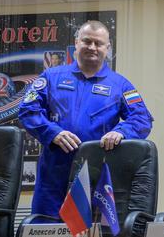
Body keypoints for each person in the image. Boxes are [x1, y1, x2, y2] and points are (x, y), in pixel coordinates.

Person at [18, 20, 153, 217]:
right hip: (53, 174)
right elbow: (27, 110)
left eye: (98, 43)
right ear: (76, 43)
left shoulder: (120, 85)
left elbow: (142, 119)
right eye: (87, 41)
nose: (92, 47)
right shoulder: (51, 76)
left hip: (95, 175)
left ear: (107, 48)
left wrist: (120, 132)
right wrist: (52, 133)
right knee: (44, 236)